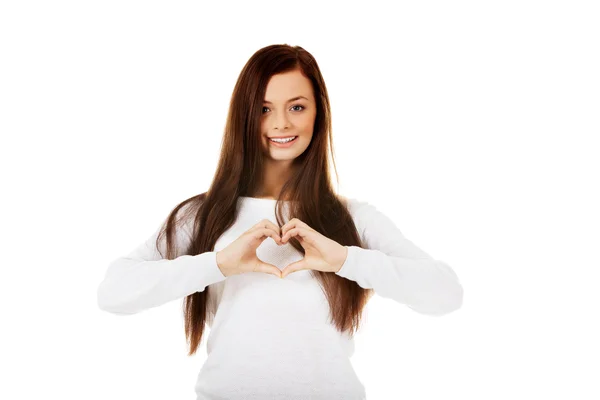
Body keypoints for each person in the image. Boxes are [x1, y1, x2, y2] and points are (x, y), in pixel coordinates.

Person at [97, 43, 464, 400]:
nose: (281, 123)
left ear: (318, 112)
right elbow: (113, 293)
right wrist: (219, 264)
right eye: (264, 109)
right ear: (244, 116)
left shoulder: (353, 219)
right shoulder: (203, 216)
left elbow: (446, 294)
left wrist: (345, 260)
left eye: (297, 107)